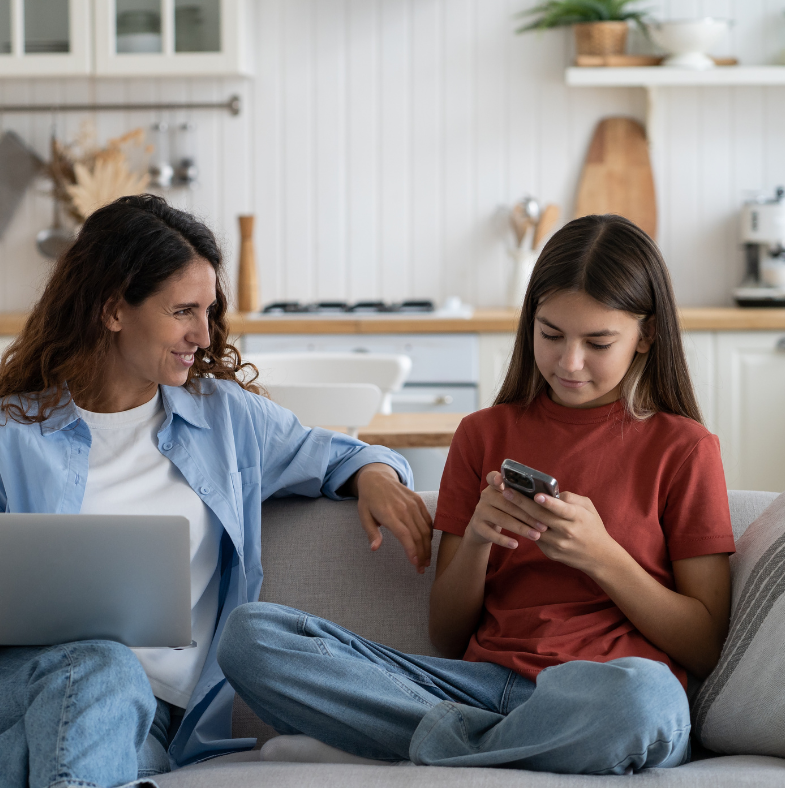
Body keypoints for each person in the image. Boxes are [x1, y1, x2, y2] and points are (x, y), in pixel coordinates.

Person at [0, 194, 433, 788]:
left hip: (154, 717)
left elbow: (341, 453)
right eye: (183, 311)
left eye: (209, 311)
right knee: (104, 665)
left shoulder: (228, 421)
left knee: (112, 740)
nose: (204, 335)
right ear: (113, 310)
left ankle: (5, 770)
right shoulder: (3, 433)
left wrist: (376, 476)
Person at [217, 214, 736, 775]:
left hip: (606, 693)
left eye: (598, 341)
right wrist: (481, 542)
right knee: (250, 638)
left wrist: (603, 557)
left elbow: (704, 644)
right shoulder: (483, 434)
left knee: (648, 700)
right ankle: (486, 746)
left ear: (648, 334)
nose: (569, 362)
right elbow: (446, 633)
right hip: (478, 687)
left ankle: (406, 745)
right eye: (551, 334)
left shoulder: (684, 448)